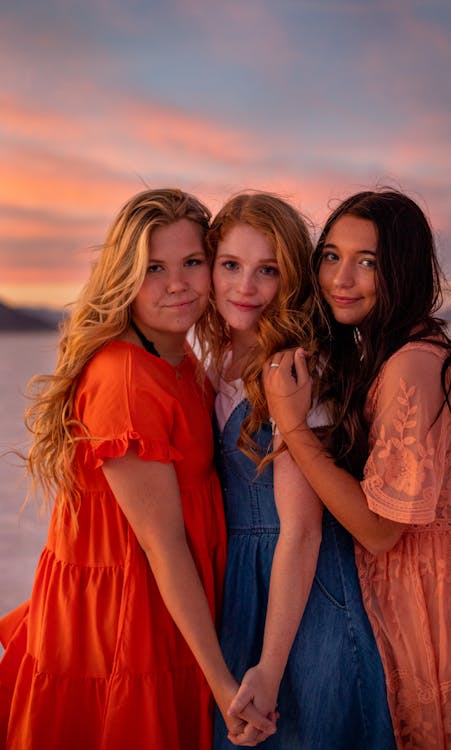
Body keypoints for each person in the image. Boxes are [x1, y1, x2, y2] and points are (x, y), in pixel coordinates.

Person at [0, 188, 275, 750]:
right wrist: (222, 683)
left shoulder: (176, 357)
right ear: (124, 275)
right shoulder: (126, 378)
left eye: (191, 262)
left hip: (165, 606)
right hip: (128, 619)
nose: (177, 284)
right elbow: (163, 544)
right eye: (153, 268)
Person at [263, 189, 451, 749]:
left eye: (367, 262)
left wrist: (293, 427)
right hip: (425, 584)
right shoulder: (392, 352)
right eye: (332, 256)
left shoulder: (412, 363)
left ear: (403, 269)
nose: (341, 278)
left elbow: (378, 529)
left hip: (436, 598)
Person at [198, 191, 395, 748]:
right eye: (231, 265)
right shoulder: (220, 362)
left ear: (291, 281)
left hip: (305, 598)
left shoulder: (296, 367)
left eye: (268, 271)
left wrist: (271, 663)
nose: (246, 287)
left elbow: (303, 528)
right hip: (245, 586)